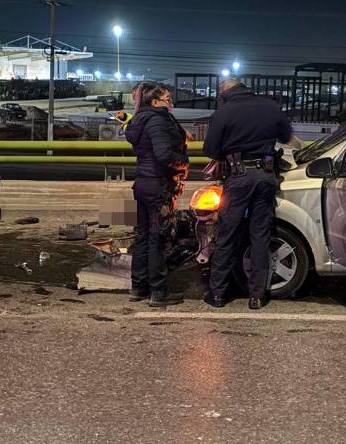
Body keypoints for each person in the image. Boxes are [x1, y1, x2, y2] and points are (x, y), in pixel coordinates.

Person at [202, 77, 293, 309]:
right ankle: (257, 296)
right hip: (266, 176)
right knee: (260, 235)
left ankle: (218, 293)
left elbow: (210, 149)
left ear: (225, 92)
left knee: (227, 234)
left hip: (239, 177)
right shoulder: (271, 106)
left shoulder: (224, 111)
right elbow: (285, 137)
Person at [125, 83, 190, 306]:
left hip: (142, 183)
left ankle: (138, 288)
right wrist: (184, 163)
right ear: (154, 103)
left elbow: (152, 148)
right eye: (167, 99)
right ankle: (158, 292)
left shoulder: (139, 120)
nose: (170, 104)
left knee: (142, 237)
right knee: (158, 239)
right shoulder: (157, 120)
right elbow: (163, 154)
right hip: (158, 186)